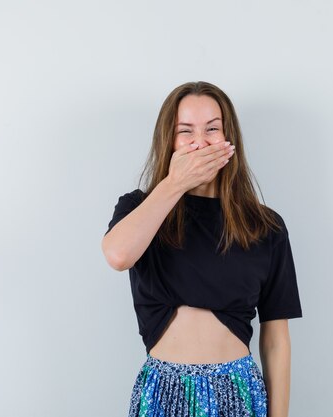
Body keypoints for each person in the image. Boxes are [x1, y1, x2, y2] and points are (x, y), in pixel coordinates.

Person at [101, 81, 303, 417]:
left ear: (228, 139)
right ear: (169, 140)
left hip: (237, 390)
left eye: (212, 129)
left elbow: (276, 337)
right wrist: (176, 182)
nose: (200, 141)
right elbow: (118, 255)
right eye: (185, 131)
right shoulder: (141, 207)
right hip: (163, 391)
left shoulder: (264, 226)